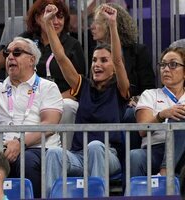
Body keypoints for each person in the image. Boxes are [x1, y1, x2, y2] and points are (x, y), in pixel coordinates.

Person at [43, 3, 130, 197]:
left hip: (107, 155)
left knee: (95, 146)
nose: (97, 64)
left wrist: (113, 25)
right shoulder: (83, 86)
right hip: (79, 156)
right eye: (94, 60)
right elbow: (61, 57)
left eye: (103, 60)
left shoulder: (120, 89)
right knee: (54, 153)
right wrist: (48, 24)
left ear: (114, 68)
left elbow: (118, 60)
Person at [0, 0, 85, 127]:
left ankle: (65, 147)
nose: (56, 22)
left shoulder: (72, 44)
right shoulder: (25, 40)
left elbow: (80, 86)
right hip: (25, 97)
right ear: (38, 18)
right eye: (51, 16)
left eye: (60, 17)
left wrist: (51, 98)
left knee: (68, 105)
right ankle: (3, 145)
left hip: (60, 99)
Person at [0, 37, 63, 198]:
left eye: (17, 52)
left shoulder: (47, 87)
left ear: (32, 60)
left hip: (39, 150)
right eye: (7, 53)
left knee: (25, 160)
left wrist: (19, 143)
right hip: (3, 153)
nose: (10, 57)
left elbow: (49, 124)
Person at [90, 3, 156, 149]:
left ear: (110, 24)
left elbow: (149, 87)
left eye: (97, 22)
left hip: (128, 106)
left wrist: (137, 99)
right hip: (104, 105)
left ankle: (128, 160)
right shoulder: (95, 53)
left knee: (130, 113)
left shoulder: (137, 51)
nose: (92, 27)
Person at [130, 47, 185, 177]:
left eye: (173, 64)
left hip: (183, 150)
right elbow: (142, 130)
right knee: (135, 156)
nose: (166, 69)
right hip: (155, 149)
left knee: (179, 118)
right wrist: (161, 115)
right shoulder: (150, 95)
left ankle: (165, 172)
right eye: (163, 65)